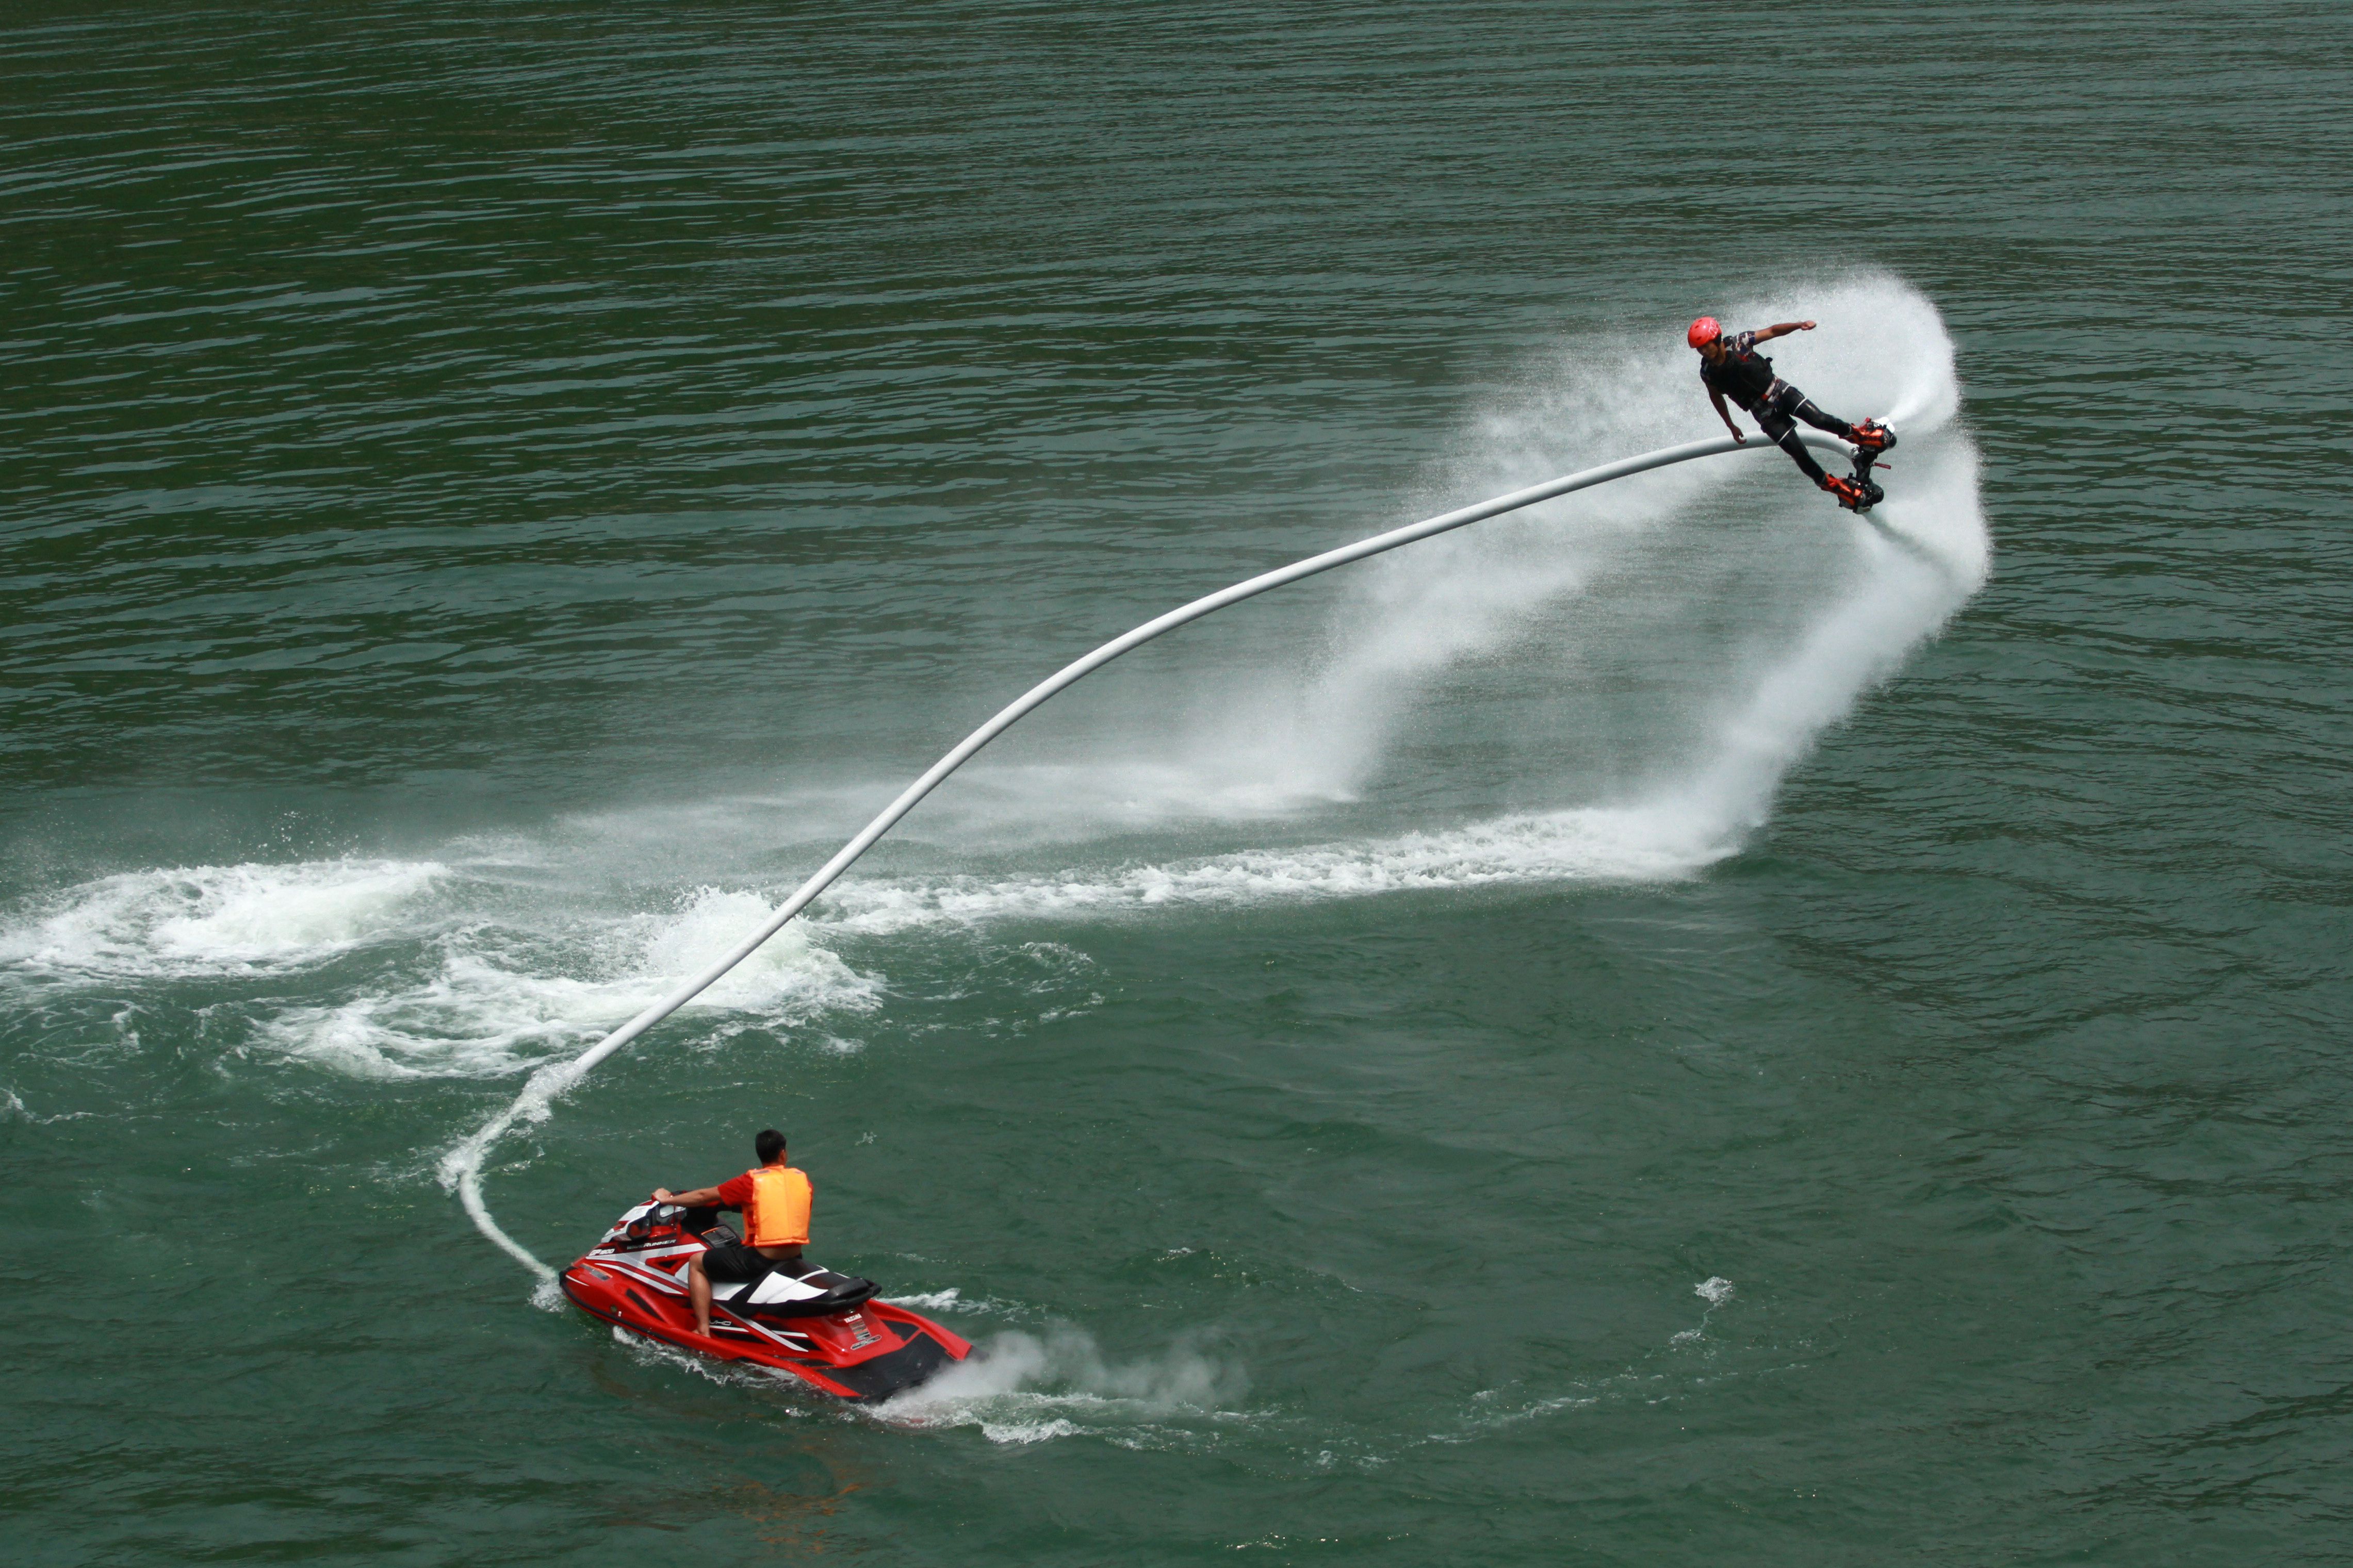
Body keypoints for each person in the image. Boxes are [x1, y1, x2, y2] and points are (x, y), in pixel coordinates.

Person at [1688, 316, 1894, 510]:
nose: (1704, 351)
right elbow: (1716, 397)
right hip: (1764, 414)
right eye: (1699, 349)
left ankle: (1859, 436)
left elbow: (1772, 331)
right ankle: (1836, 486)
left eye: (1706, 345)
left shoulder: (1740, 343)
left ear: (1716, 339)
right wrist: (1730, 426)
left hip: (1780, 391)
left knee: (1819, 419)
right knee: (1799, 454)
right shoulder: (1707, 372)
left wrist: (1799, 325)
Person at [653, 1127, 812, 1337]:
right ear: (783, 1153)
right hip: (795, 1257)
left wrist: (668, 1199)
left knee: (696, 1263)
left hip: (761, 1262)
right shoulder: (802, 1179)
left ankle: (702, 1329)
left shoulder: (751, 1182)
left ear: (760, 1154)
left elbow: (703, 1196)